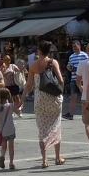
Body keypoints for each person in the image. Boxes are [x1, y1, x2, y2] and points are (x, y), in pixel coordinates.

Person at [25, 40, 65, 168]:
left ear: (39, 50)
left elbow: (29, 85)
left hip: (40, 99)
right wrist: (60, 91)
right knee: (56, 125)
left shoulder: (33, 66)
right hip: (53, 98)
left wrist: (22, 98)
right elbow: (61, 80)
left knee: (42, 129)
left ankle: (44, 160)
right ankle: (58, 157)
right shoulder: (53, 62)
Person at [0, 87, 16, 170]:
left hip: (2, 129)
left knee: (4, 144)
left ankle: (2, 156)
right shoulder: (11, 105)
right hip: (11, 128)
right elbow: (18, 112)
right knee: (11, 146)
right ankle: (11, 163)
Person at [65, 40, 87, 119]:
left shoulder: (85, 55)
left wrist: (77, 69)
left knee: (84, 97)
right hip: (74, 79)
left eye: (75, 46)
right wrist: (69, 67)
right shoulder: (71, 56)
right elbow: (69, 65)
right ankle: (71, 114)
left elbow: (87, 66)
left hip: (83, 79)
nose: (74, 48)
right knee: (73, 97)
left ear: (79, 46)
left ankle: (87, 113)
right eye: (73, 47)